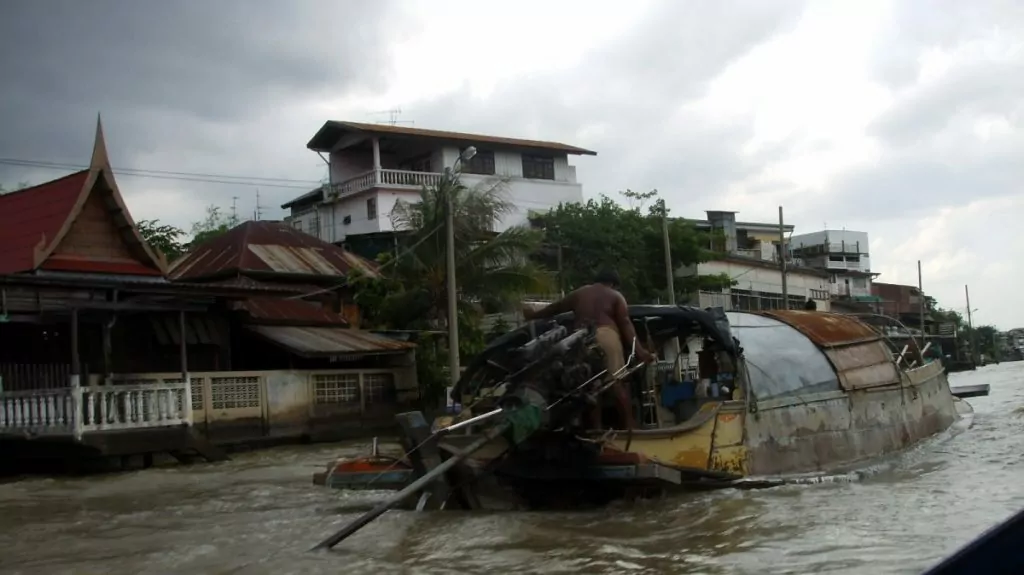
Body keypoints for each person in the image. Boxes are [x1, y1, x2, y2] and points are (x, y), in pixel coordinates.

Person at [523, 270, 655, 429]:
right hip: (606, 334)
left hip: (581, 338)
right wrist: (641, 352)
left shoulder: (579, 293)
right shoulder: (615, 296)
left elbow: (555, 308)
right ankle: (630, 425)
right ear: (613, 284)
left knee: (591, 386)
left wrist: (533, 315)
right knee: (616, 382)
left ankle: (596, 428)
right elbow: (625, 323)